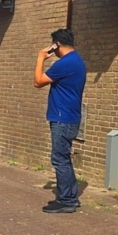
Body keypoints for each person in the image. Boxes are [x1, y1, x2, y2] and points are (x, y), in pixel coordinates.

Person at [34, 29, 87, 213]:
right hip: (69, 117)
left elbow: (38, 81)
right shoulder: (77, 61)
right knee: (63, 158)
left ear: (56, 44)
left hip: (62, 118)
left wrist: (41, 57)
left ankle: (67, 201)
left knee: (59, 159)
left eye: (53, 46)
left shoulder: (65, 63)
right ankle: (70, 197)